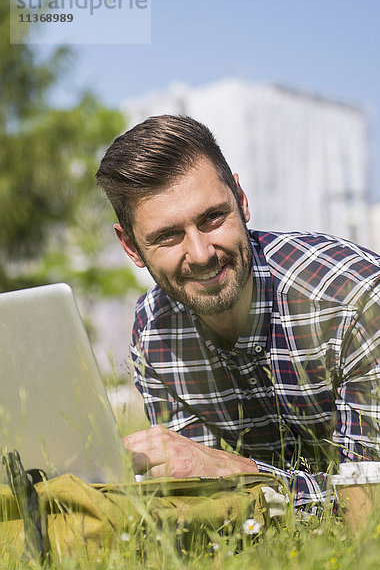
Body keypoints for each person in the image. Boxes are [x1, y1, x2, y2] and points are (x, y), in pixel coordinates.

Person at [96, 114, 380, 507]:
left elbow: (370, 511)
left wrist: (237, 473)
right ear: (130, 247)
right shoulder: (154, 332)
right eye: (168, 236)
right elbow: (201, 501)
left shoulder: (355, 301)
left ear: (241, 200)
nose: (200, 254)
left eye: (212, 218)